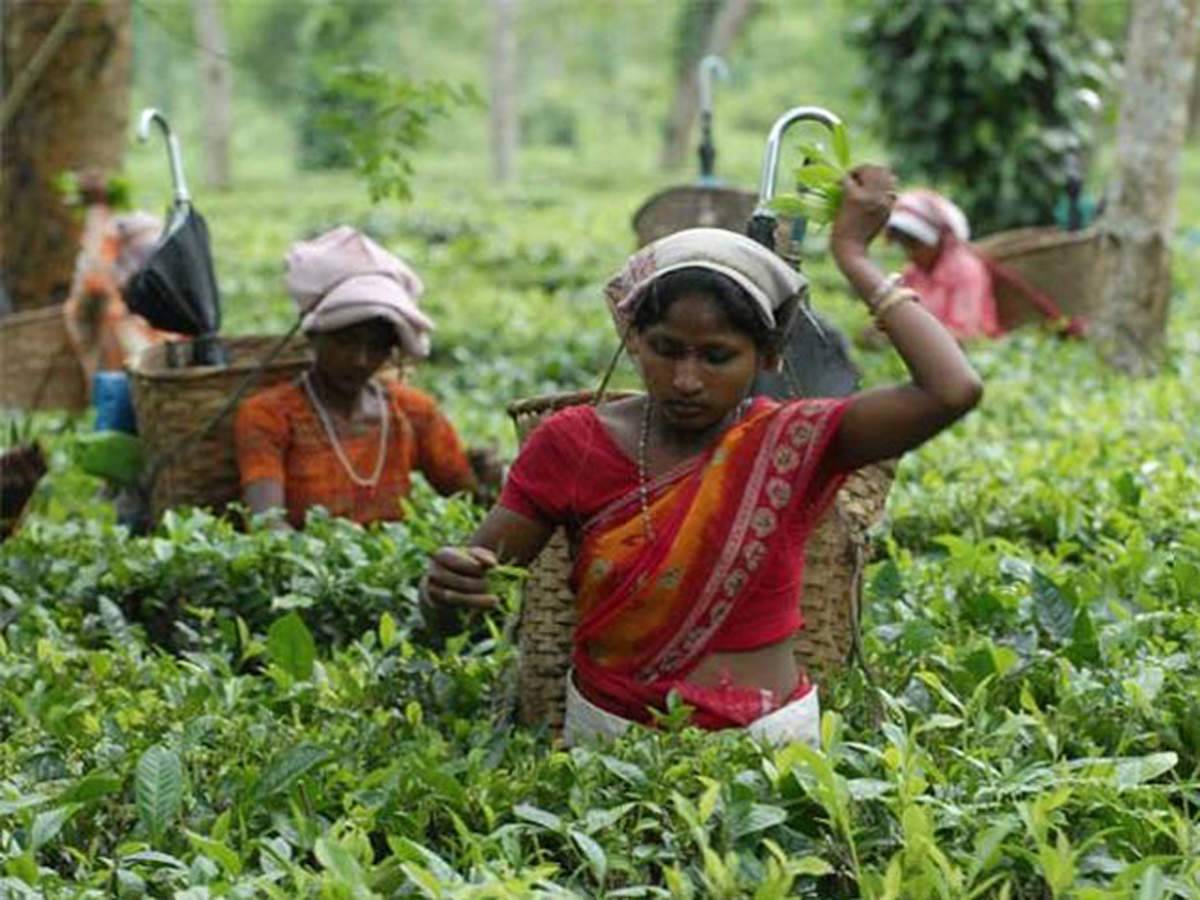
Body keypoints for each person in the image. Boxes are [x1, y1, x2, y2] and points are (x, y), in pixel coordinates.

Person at [422, 165, 983, 746]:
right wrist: (442, 594)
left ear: (765, 356)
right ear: (633, 338)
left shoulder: (795, 441)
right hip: (611, 741)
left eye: (716, 357)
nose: (686, 379)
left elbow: (952, 389)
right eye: (666, 350)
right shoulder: (572, 443)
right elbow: (470, 595)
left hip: (771, 743)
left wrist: (853, 257)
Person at [234, 226, 489, 530]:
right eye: (345, 341)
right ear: (315, 337)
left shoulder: (414, 412)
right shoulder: (269, 415)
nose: (359, 359)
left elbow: (468, 504)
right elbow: (267, 523)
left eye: (376, 346)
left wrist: (490, 479)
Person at [885, 189, 1083, 341]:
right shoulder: (914, 273)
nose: (910, 253)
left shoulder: (965, 270)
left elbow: (967, 333)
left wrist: (909, 336)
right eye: (905, 244)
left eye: (915, 244)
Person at [62, 174, 173, 382]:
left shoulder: (104, 224)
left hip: (136, 296)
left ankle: (118, 385)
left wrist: (113, 301)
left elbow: (98, 270)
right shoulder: (137, 219)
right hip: (154, 293)